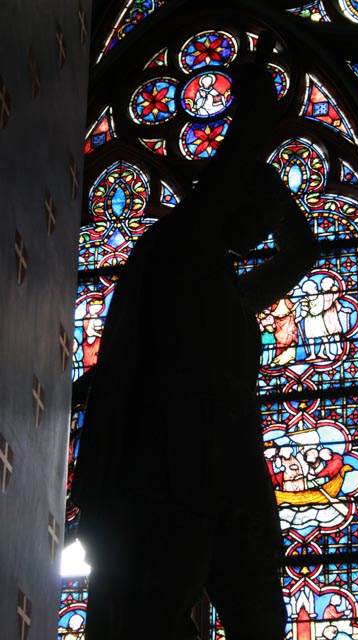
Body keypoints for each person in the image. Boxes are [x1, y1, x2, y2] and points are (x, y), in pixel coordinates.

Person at [71, 31, 319, 640]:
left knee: (259, 617)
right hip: (169, 470)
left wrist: (281, 204)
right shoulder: (179, 248)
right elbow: (234, 166)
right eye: (261, 216)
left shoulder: (226, 288)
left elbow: (301, 254)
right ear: (233, 200)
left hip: (230, 469)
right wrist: (255, 100)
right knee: (151, 614)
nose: (263, 234)